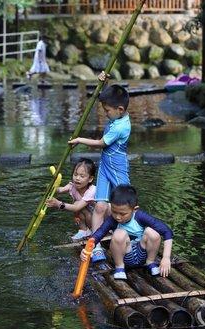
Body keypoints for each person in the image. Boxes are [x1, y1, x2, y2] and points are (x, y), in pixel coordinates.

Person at [69, 72, 131, 262]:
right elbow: (108, 96)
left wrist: (79, 140)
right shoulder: (117, 115)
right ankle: (95, 244)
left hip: (117, 166)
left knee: (124, 202)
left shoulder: (121, 126)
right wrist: (103, 83)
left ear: (120, 110)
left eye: (107, 111)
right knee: (100, 206)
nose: (106, 113)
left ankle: (131, 236)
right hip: (105, 165)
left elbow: (101, 143)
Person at [80, 185, 173, 280]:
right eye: (114, 211)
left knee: (152, 232)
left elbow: (167, 232)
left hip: (142, 255)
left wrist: (166, 258)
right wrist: (87, 249)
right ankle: (119, 267)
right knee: (119, 234)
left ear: (134, 209)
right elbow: (98, 234)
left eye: (123, 214)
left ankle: (150, 263)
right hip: (125, 256)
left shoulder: (140, 216)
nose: (118, 217)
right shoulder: (112, 219)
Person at [46, 158, 96, 241]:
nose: (77, 178)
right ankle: (84, 230)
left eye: (82, 176)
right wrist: (52, 187)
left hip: (95, 219)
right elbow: (60, 190)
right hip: (84, 216)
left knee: (77, 204)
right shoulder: (72, 186)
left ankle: (93, 231)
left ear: (90, 179)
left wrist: (58, 204)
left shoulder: (92, 190)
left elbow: (77, 208)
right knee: (76, 203)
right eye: (75, 174)